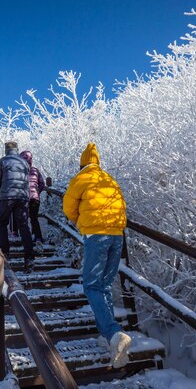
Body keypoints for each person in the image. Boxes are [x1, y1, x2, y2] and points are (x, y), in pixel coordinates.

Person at [62, 142, 131, 368]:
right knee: (105, 286)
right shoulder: (109, 179)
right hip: (117, 236)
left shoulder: (81, 179)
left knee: (91, 286)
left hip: (96, 236)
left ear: (82, 163)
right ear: (98, 162)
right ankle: (107, 336)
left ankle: (114, 333)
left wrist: (80, 221)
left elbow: (68, 208)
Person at [0, 141, 35, 273]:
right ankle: (29, 258)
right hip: (22, 196)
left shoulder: (3, 161)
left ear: (6, 150)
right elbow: (27, 180)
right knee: (23, 225)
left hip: (7, 196)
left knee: (2, 223)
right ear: (17, 149)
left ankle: (5, 253)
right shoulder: (24, 163)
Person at [19, 150, 45, 252]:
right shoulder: (35, 170)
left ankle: (26, 239)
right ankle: (38, 237)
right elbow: (42, 184)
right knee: (34, 218)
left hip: (23, 198)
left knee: (23, 220)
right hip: (35, 198)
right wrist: (37, 192)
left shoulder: (19, 170)